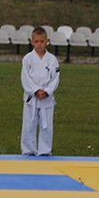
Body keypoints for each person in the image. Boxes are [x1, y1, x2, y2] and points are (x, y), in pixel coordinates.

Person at [20, 26, 59, 156]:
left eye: (42, 41)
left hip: (46, 97)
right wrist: (35, 90)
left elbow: (55, 78)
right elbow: (25, 77)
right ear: (32, 41)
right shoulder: (27, 59)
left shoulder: (52, 59)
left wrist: (47, 91)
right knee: (28, 125)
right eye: (36, 41)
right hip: (32, 97)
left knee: (46, 126)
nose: (39, 44)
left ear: (47, 41)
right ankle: (28, 150)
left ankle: (45, 150)